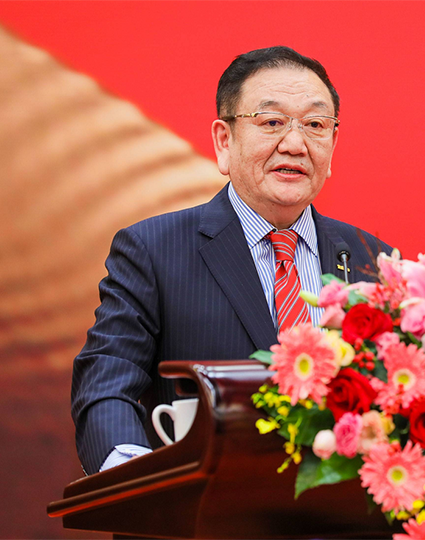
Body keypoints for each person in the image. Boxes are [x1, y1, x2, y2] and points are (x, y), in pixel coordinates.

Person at [71, 46, 392, 475]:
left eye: (315, 125)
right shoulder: (152, 250)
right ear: (225, 141)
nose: (295, 144)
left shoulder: (375, 260)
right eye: (271, 122)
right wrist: (133, 479)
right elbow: (107, 381)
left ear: (333, 143)